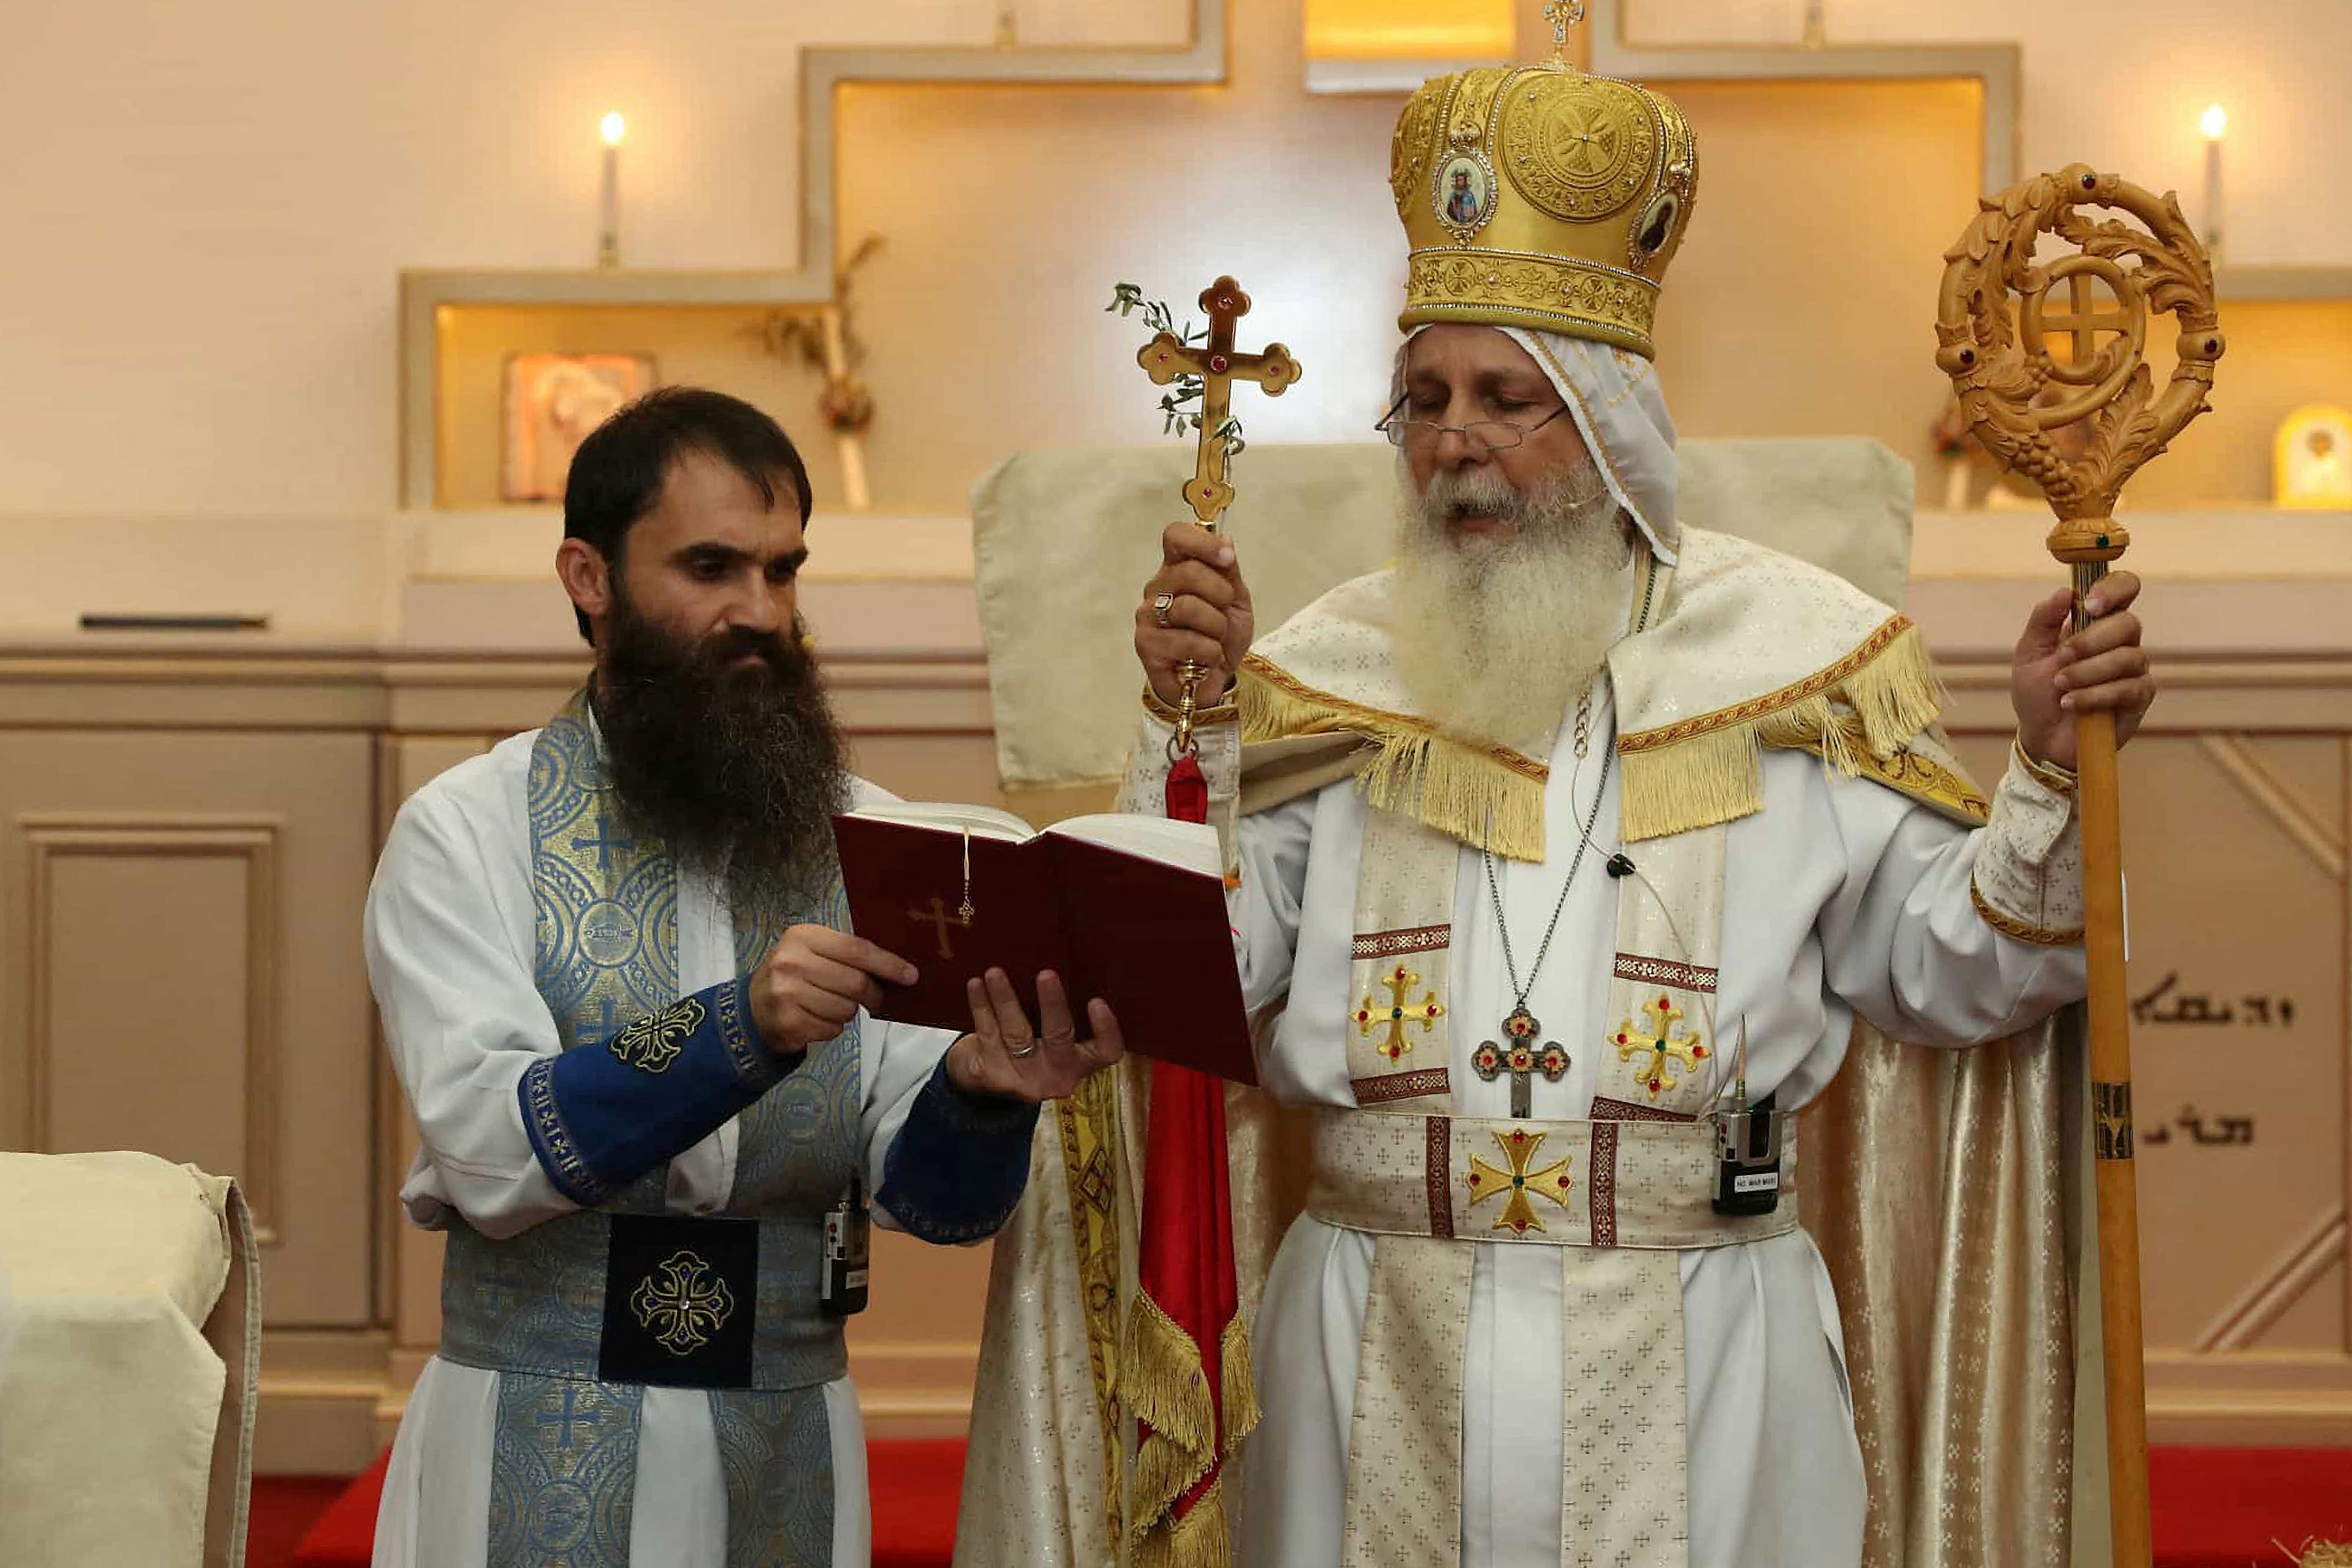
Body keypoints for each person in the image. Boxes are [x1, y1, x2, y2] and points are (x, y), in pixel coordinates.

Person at [1111, 65, 2152, 1568]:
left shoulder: (1786, 663)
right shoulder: (1331, 677)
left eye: (1502, 397)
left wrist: (2049, 765)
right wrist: (1183, 735)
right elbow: (1202, 980)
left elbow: (1957, 965)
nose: (1451, 439)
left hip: (1702, 1338)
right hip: (1370, 1334)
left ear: (1605, 419)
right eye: (1421, 399)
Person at [365, 387, 1122, 1568]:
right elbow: (487, 1147)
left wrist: (983, 1088)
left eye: (781, 570)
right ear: (588, 575)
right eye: (711, 566)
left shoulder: (871, 840)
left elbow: (930, 1198)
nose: (758, 611)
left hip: (789, 1426)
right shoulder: (467, 830)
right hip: (531, 1402)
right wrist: (742, 1027)